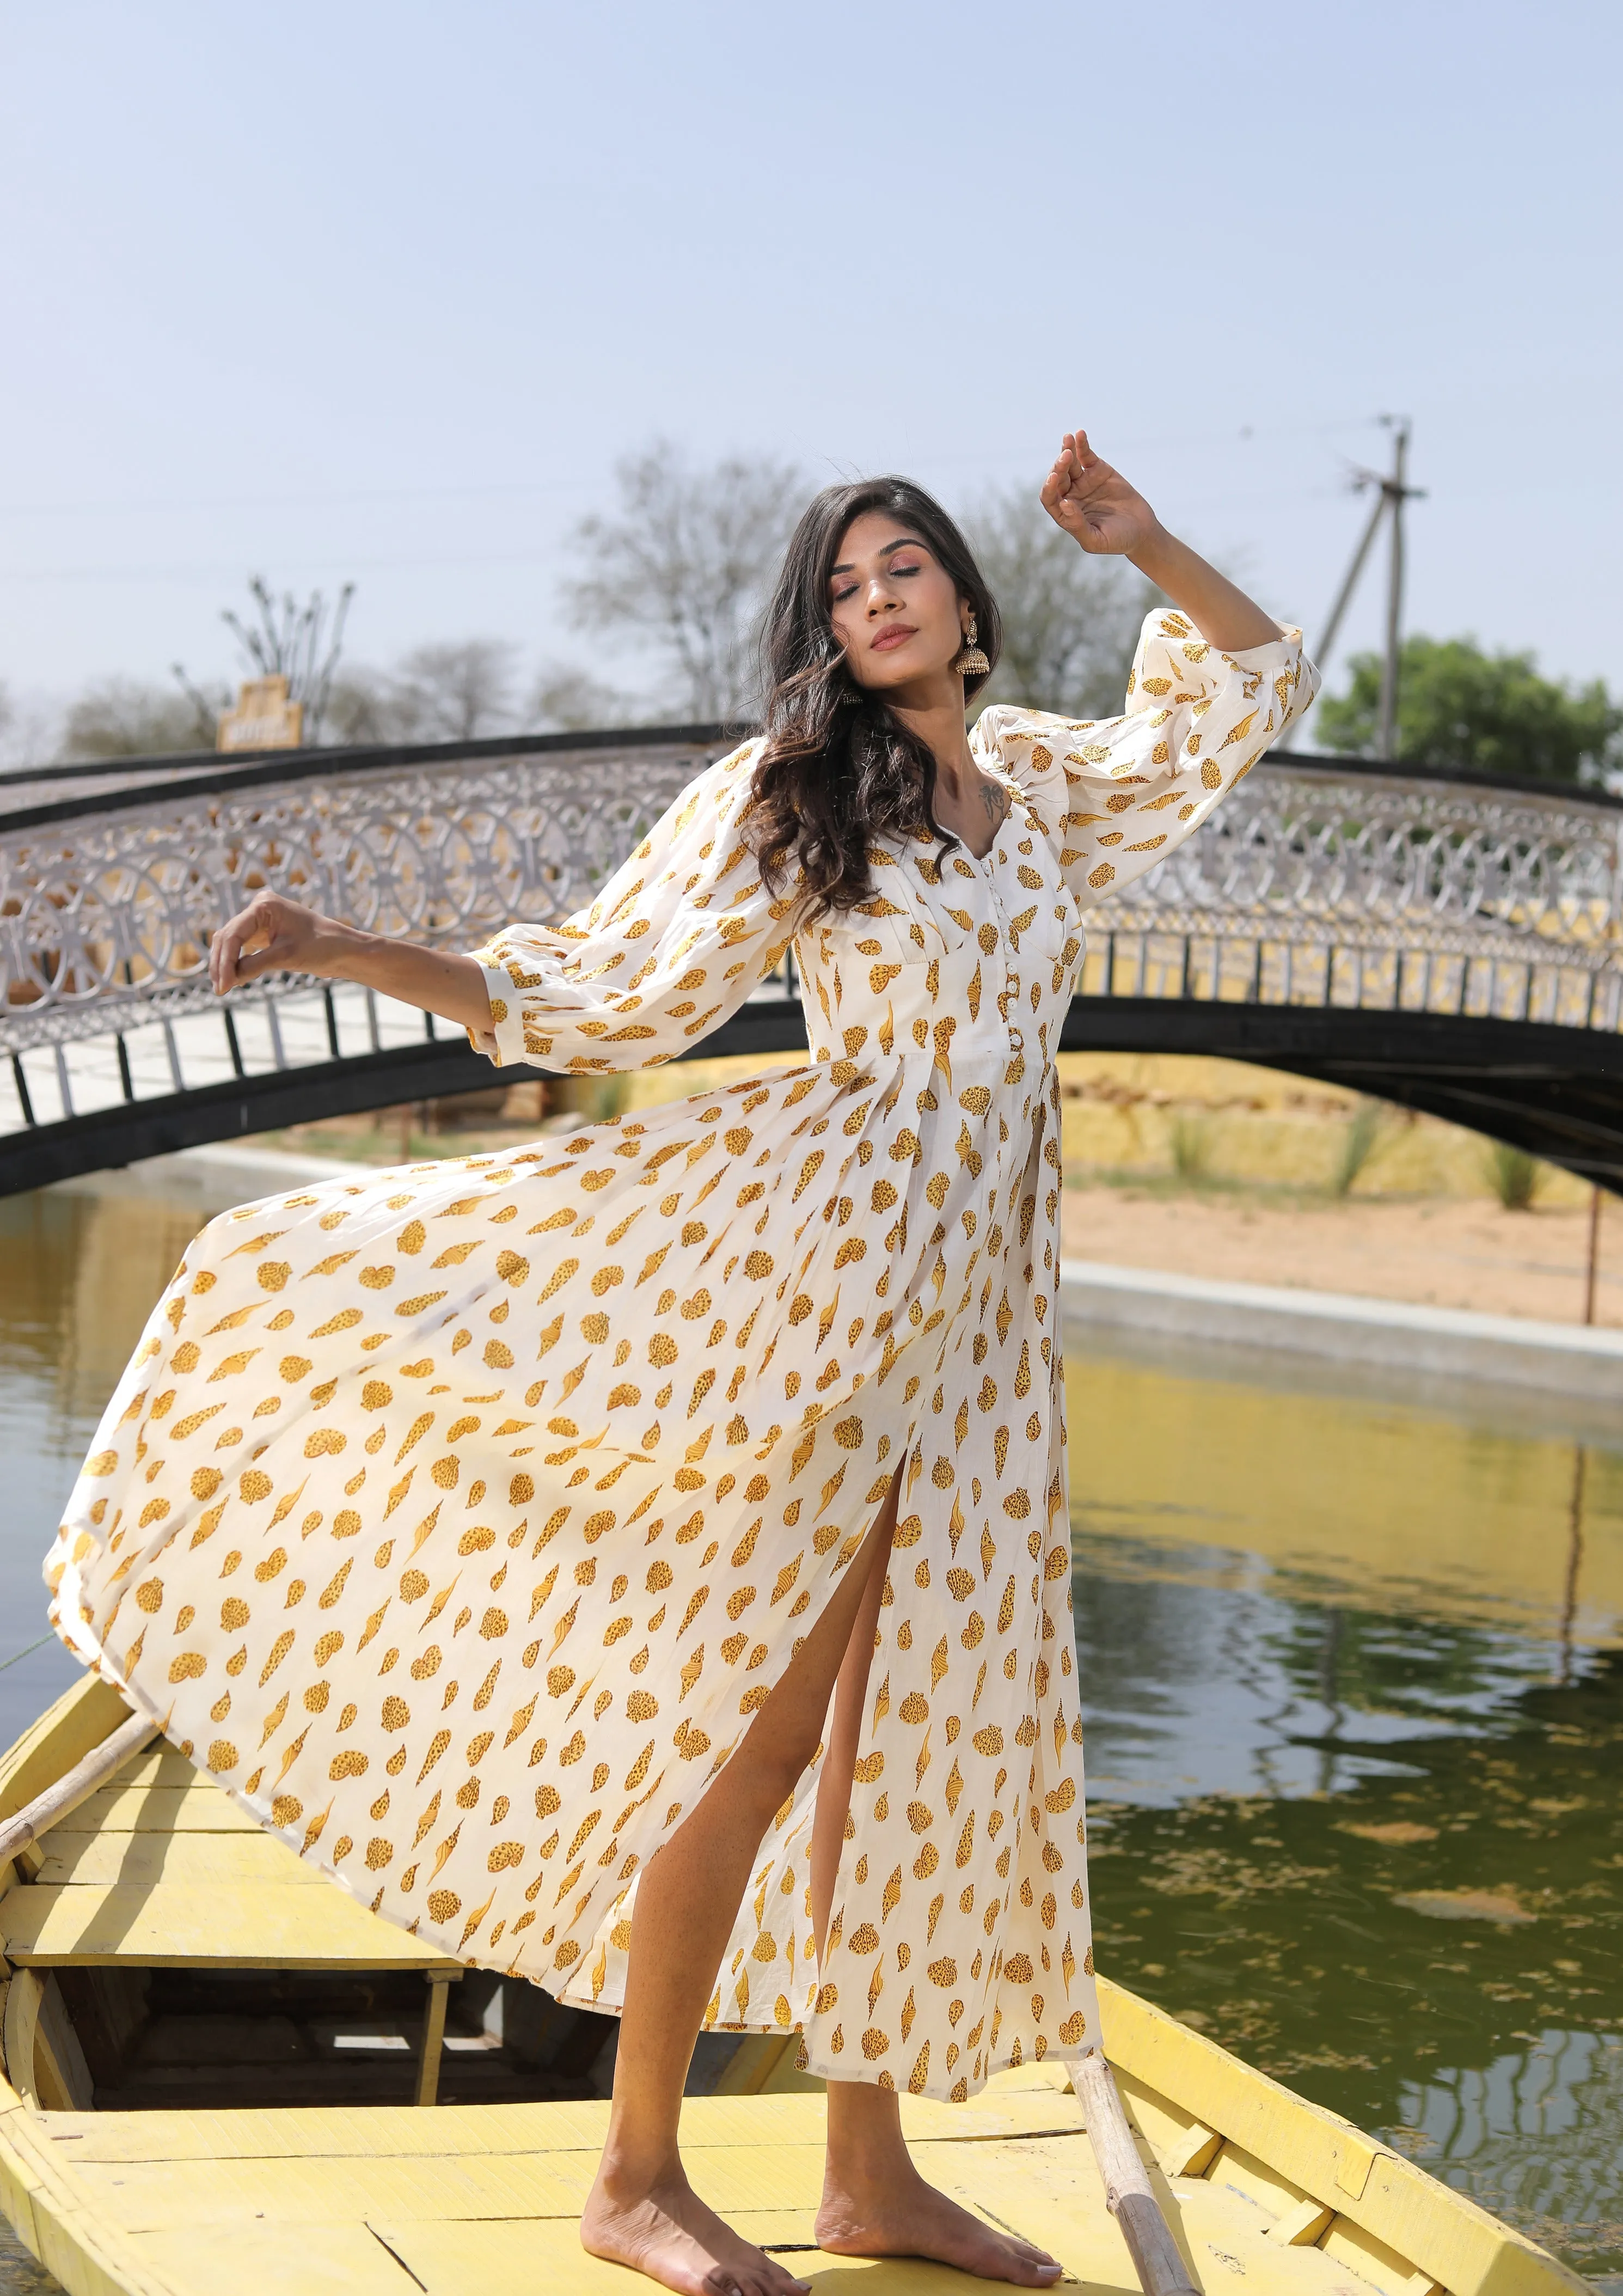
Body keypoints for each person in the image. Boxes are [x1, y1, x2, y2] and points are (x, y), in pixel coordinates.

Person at [48, 432, 1316, 2296]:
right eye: (840, 587)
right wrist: (347, 946)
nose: (874, 600)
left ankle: (866, 2174)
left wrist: (1146, 543)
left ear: (966, 598)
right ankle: (632, 2174)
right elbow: (590, 987)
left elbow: (1250, 688)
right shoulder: (798, 791)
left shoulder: (1042, 782)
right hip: (816, 1296)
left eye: (902, 571)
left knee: (903, 1740)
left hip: (979, 1336)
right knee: (762, 1731)